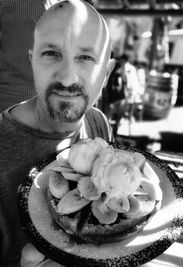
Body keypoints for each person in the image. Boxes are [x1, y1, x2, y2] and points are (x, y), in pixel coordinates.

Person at [0, 0, 115, 266]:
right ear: (32, 63)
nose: (66, 78)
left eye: (86, 57)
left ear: (106, 73)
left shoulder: (98, 123)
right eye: (51, 53)